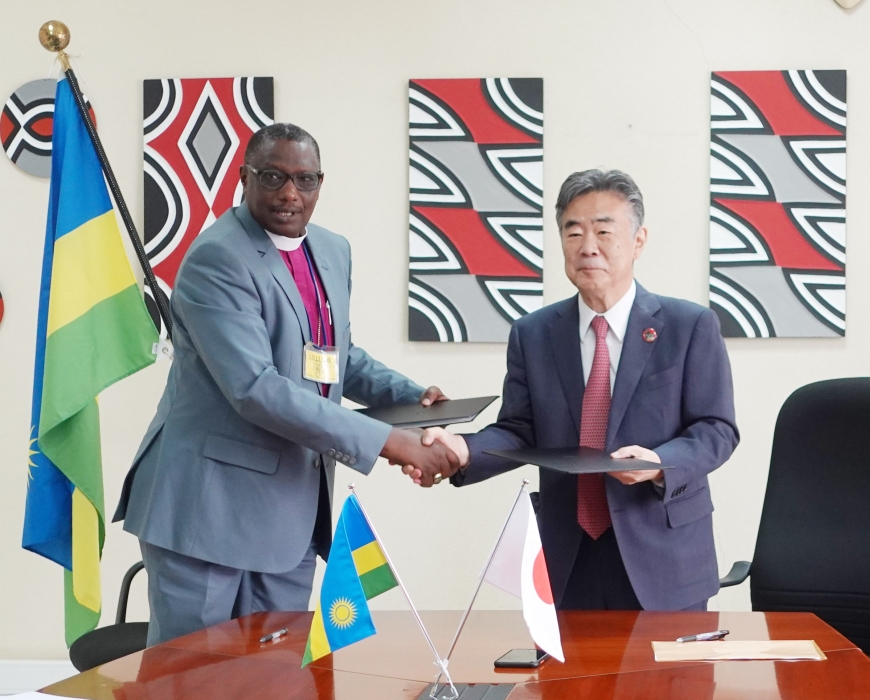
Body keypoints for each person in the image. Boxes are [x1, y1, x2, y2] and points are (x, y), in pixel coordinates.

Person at [113, 123, 458, 645]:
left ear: (321, 183)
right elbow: (257, 389)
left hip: (290, 511)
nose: (290, 193)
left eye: (305, 179)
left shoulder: (332, 250)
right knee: (195, 675)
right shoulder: (216, 258)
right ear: (244, 177)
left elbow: (332, 355)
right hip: (207, 510)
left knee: (277, 672)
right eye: (273, 177)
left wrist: (414, 399)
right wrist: (389, 442)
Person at [411, 169, 738, 611]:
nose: (588, 247)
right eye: (573, 232)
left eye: (604, 231)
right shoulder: (534, 333)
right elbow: (520, 429)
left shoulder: (689, 325)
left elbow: (717, 429)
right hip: (567, 555)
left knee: (665, 662)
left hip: (663, 553)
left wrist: (658, 463)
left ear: (638, 241)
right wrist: (464, 450)